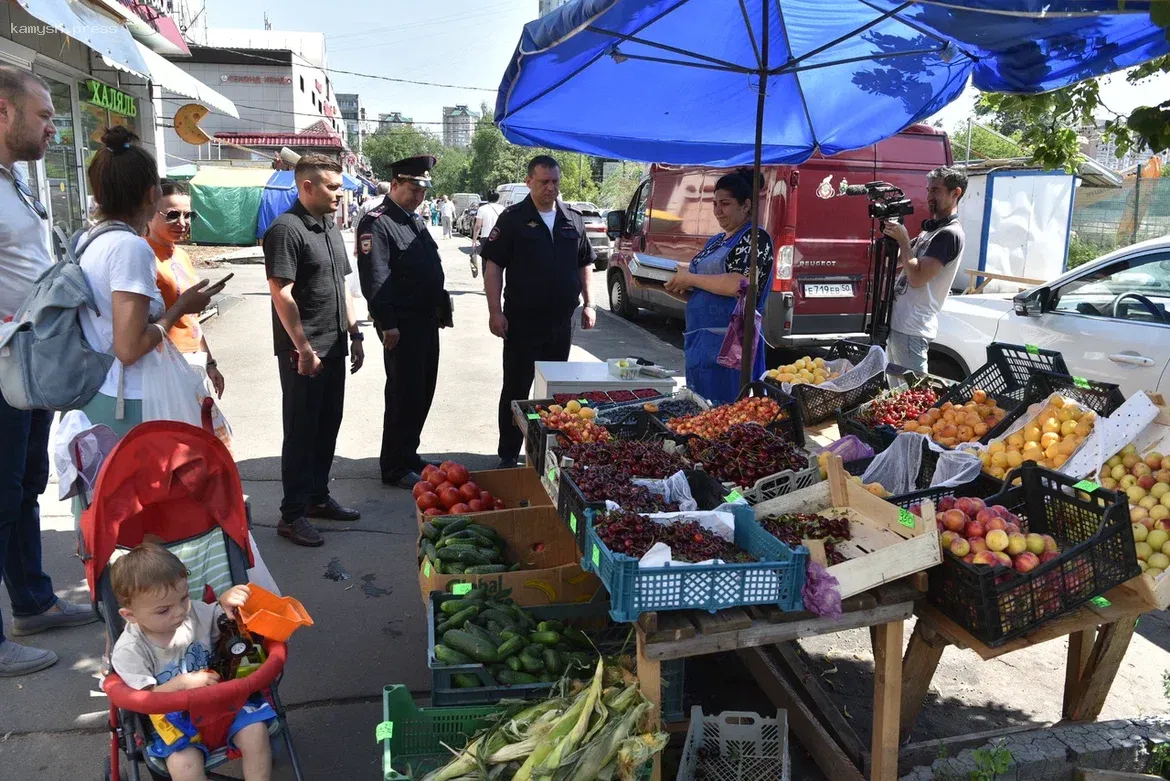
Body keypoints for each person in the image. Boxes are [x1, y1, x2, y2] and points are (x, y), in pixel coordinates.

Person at [0, 65, 99, 676]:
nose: (54, 128)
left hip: (28, 369)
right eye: (44, 115)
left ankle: (33, 601)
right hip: (6, 369)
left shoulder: (14, 182)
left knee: (24, 488)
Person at [264, 154, 365, 547]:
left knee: (327, 427)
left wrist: (354, 334)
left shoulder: (328, 226)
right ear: (306, 186)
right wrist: (303, 347)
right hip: (303, 353)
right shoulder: (286, 230)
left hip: (335, 345)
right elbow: (281, 293)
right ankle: (291, 515)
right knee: (301, 432)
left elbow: (342, 285)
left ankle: (317, 497)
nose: (340, 194)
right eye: (333, 187)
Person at [109, 543, 274, 781]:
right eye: (164, 610)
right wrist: (182, 683)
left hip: (222, 703)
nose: (179, 612)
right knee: (183, 764)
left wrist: (225, 602)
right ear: (131, 615)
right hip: (175, 720)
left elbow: (226, 623)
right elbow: (145, 699)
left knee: (256, 732)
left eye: (184, 597)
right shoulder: (130, 650)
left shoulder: (194, 612)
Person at [481, 154, 596, 468]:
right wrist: (494, 311)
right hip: (521, 322)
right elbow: (494, 267)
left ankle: (544, 451)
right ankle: (508, 454)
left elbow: (584, 262)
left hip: (560, 323)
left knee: (553, 392)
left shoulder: (572, 218)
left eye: (555, 182)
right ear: (529, 181)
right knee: (516, 389)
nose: (551, 188)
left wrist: (589, 303)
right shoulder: (513, 219)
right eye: (544, 182)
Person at [356, 156, 450, 488]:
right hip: (402, 326)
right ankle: (394, 465)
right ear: (395, 184)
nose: (419, 197)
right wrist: (387, 323)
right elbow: (376, 278)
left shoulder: (413, 220)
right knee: (402, 393)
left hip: (426, 321)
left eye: (423, 190)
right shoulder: (377, 222)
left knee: (422, 390)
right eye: (413, 190)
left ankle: (409, 453)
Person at [664, 169, 774, 405]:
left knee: (728, 417)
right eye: (714, 204)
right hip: (700, 343)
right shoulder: (715, 241)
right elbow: (703, 291)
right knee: (700, 411)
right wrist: (664, 284)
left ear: (746, 206)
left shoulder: (755, 238)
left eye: (725, 204)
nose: (717, 211)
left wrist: (691, 279)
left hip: (732, 346)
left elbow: (739, 284)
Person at [881, 166, 967, 375]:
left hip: (913, 328)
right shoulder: (929, 231)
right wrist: (891, 239)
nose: (929, 196)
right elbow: (894, 262)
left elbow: (918, 278)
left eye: (936, 191)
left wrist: (903, 240)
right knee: (895, 396)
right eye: (928, 190)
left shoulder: (948, 235)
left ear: (955, 193)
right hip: (899, 324)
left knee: (912, 396)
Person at [146, 179, 225, 398]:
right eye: (172, 215)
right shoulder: (142, 254)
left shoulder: (182, 255)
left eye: (188, 215)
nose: (182, 222)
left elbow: (192, 319)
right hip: (161, 364)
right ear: (149, 212)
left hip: (193, 360)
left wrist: (209, 362)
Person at [471, 192, 503, 279]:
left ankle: (486, 284)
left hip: (485, 238)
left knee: (485, 262)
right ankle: (497, 283)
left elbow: (478, 226)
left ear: (487, 198)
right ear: (498, 198)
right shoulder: (502, 209)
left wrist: (474, 241)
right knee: (498, 262)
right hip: (499, 238)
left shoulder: (482, 209)